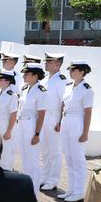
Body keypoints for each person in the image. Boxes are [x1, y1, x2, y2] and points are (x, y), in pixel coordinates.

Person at [58, 60, 95, 202]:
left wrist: (85, 133)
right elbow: (63, 106)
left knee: (77, 158)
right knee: (69, 157)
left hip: (77, 122)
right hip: (66, 121)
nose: (70, 72)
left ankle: (79, 191)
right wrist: (59, 122)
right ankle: (71, 189)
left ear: (82, 72)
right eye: (70, 70)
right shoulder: (68, 87)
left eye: (73, 70)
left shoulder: (87, 90)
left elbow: (88, 113)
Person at [16, 63, 47, 195]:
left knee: (33, 161)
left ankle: (34, 192)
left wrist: (37, 134)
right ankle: (26, 191)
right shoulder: (24, 89)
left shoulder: (41, 91)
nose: (24, 76)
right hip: (22, 124)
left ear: (35, 76)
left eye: (27, 74)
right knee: (24, 159)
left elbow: (41, 114)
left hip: (32, 125)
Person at [40, 54, 68, 191]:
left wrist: (60, 121)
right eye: (46, 61)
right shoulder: (45, 79)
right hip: (44, 117)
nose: (46, 64)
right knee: (45, 150)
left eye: (49, 62)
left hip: (54, 117)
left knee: (54, 151)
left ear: (57, 64)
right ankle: (45, 177)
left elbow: (64, 102)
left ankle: (53, 180)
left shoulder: (61, 81)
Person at [0, 70, 20, 171]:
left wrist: (9, 131)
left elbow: (13, 114)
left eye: (0, 79)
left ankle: (6, 175)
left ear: (7, 81)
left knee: (6, 154)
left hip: (5, 125)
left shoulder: (12, 96)